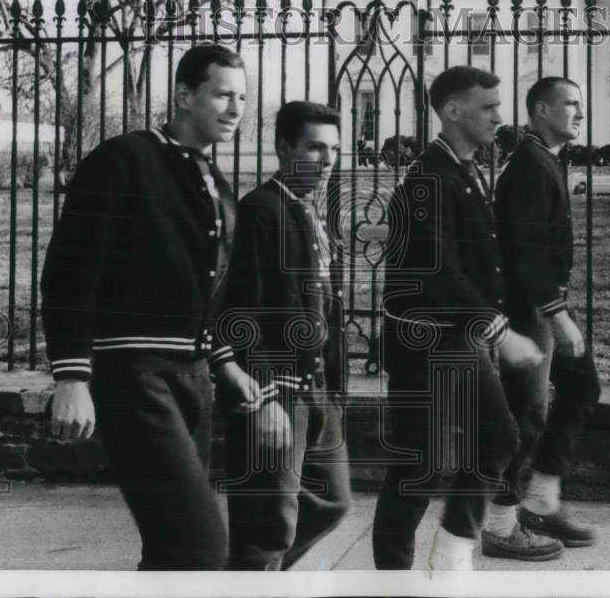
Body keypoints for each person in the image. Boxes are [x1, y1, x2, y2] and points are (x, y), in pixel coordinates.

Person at [41, 44, 259, 570]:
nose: (236, 109)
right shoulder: (124, 160)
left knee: (171, 550)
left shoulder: (217, 185)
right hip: (133, 377)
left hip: (192, 379)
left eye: (243, 98)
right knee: (199, 547)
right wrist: (71, 376)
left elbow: (205, 287)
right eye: (223, 94)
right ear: (185, 95)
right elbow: (70, 273)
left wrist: (223, 361)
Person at [371, 66, 560, 571]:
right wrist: (500, 332)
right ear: (453, 110)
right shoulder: (430, 177)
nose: (500, 117)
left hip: (453, 336)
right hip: (430, 338)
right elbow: (441, 273)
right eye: (488, 107)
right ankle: (440, 561)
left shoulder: (464, 168)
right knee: (449, 454)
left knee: (428, 460)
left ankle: (435, 561)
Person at [220, 100, 351, 570]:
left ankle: (250, 577)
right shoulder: (260, 210)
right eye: (315, 148)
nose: (328, 160)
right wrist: (264, 398)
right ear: (283, 148)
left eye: (334, 149)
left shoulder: (311, 210)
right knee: (268, 523)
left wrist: (333, 387)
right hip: (275, 394)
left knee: (333, 502)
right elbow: (240, 313)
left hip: (316, 391)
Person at [487, 76, 602, 552]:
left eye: (579, 103)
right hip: (530, 307)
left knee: (579, 386)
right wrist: (556, 315)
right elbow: (527, 254)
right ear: (540, 110)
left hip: (544, 303)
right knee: (527, 414)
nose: (579, 112)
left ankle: (543, 500)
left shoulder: (544, 160)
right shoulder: (531, 166)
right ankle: (498, 526)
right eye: (570, 104)